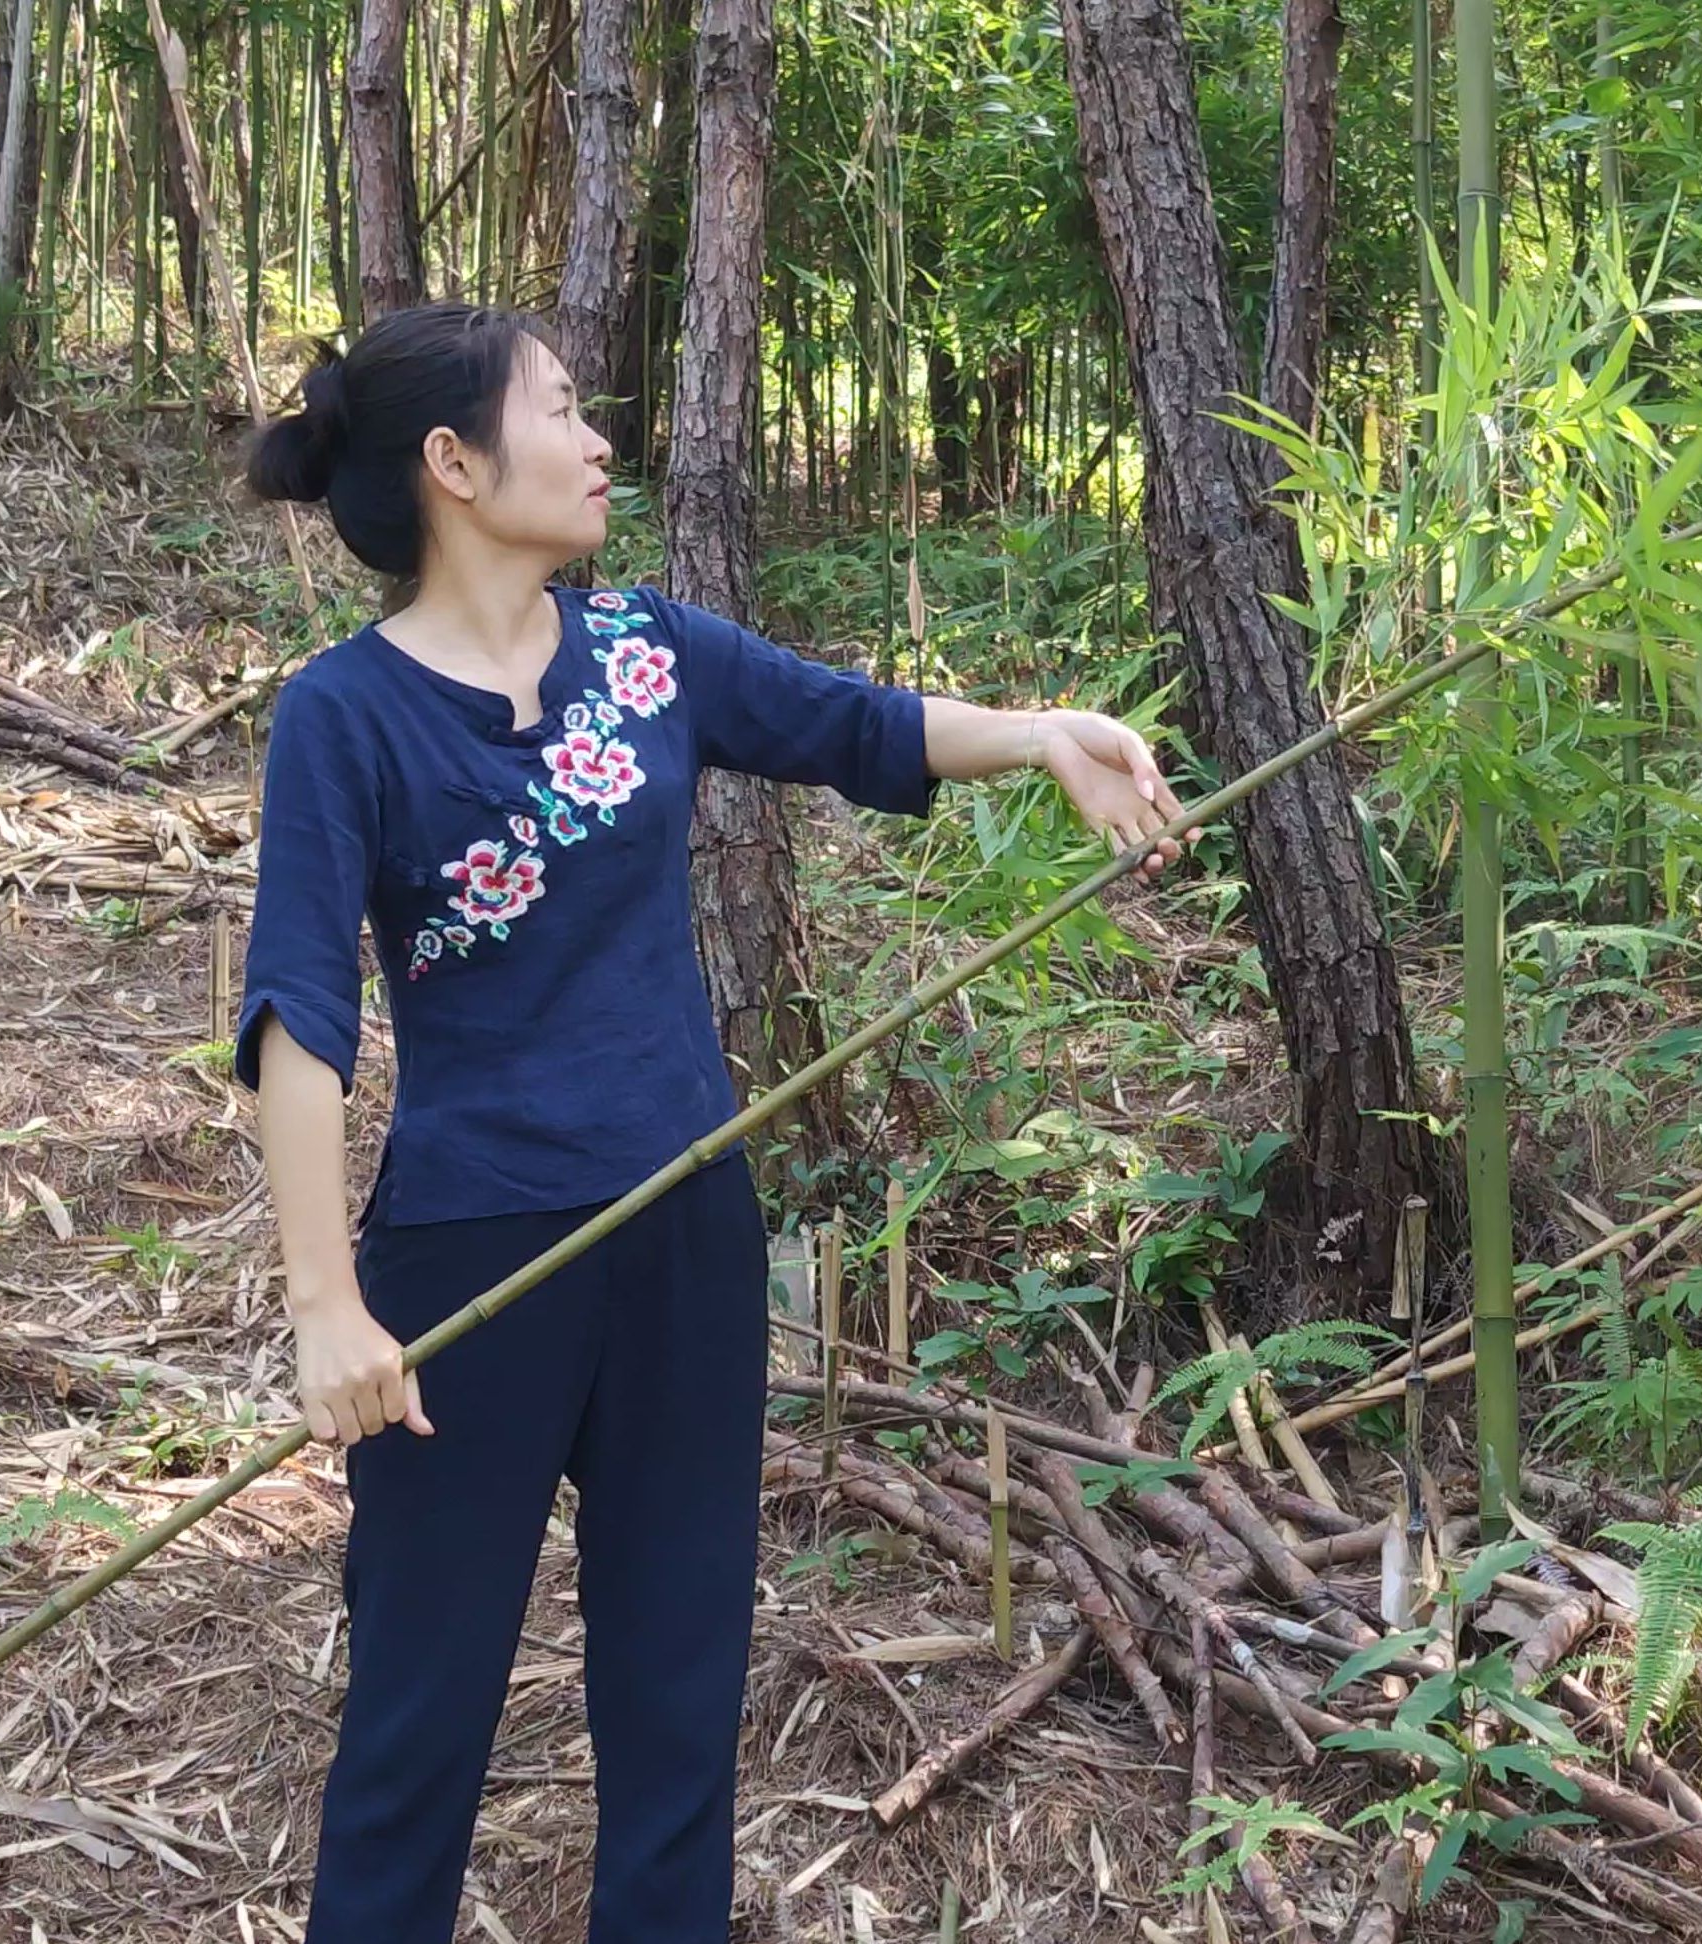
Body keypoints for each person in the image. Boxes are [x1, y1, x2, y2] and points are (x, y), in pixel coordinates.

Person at [236, 302, 1194, 1942]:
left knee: (678, 1696)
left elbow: (855, 723)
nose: (600, 440)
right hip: (475, 1267)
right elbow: (298, 1022)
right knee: (421, 1717)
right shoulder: (346, 716)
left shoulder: (647, 648)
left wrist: (1040, 737)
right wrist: (329, 1303)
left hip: (685, 1230)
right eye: (559, 408)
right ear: (454, 464)